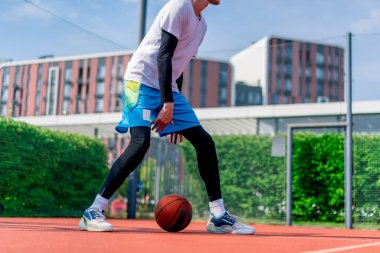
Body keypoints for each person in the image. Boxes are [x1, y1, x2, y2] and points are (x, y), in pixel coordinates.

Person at [78, 0, 255, 235]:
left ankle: (219, 216)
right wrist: (168, 103)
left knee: (204, 142)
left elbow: (177, 67)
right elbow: (164, 56)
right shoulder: (179, 6)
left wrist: (174, 113)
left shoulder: (202, 26)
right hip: (139, 82)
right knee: (140, 143)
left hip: (167, 87)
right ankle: (93, 210)